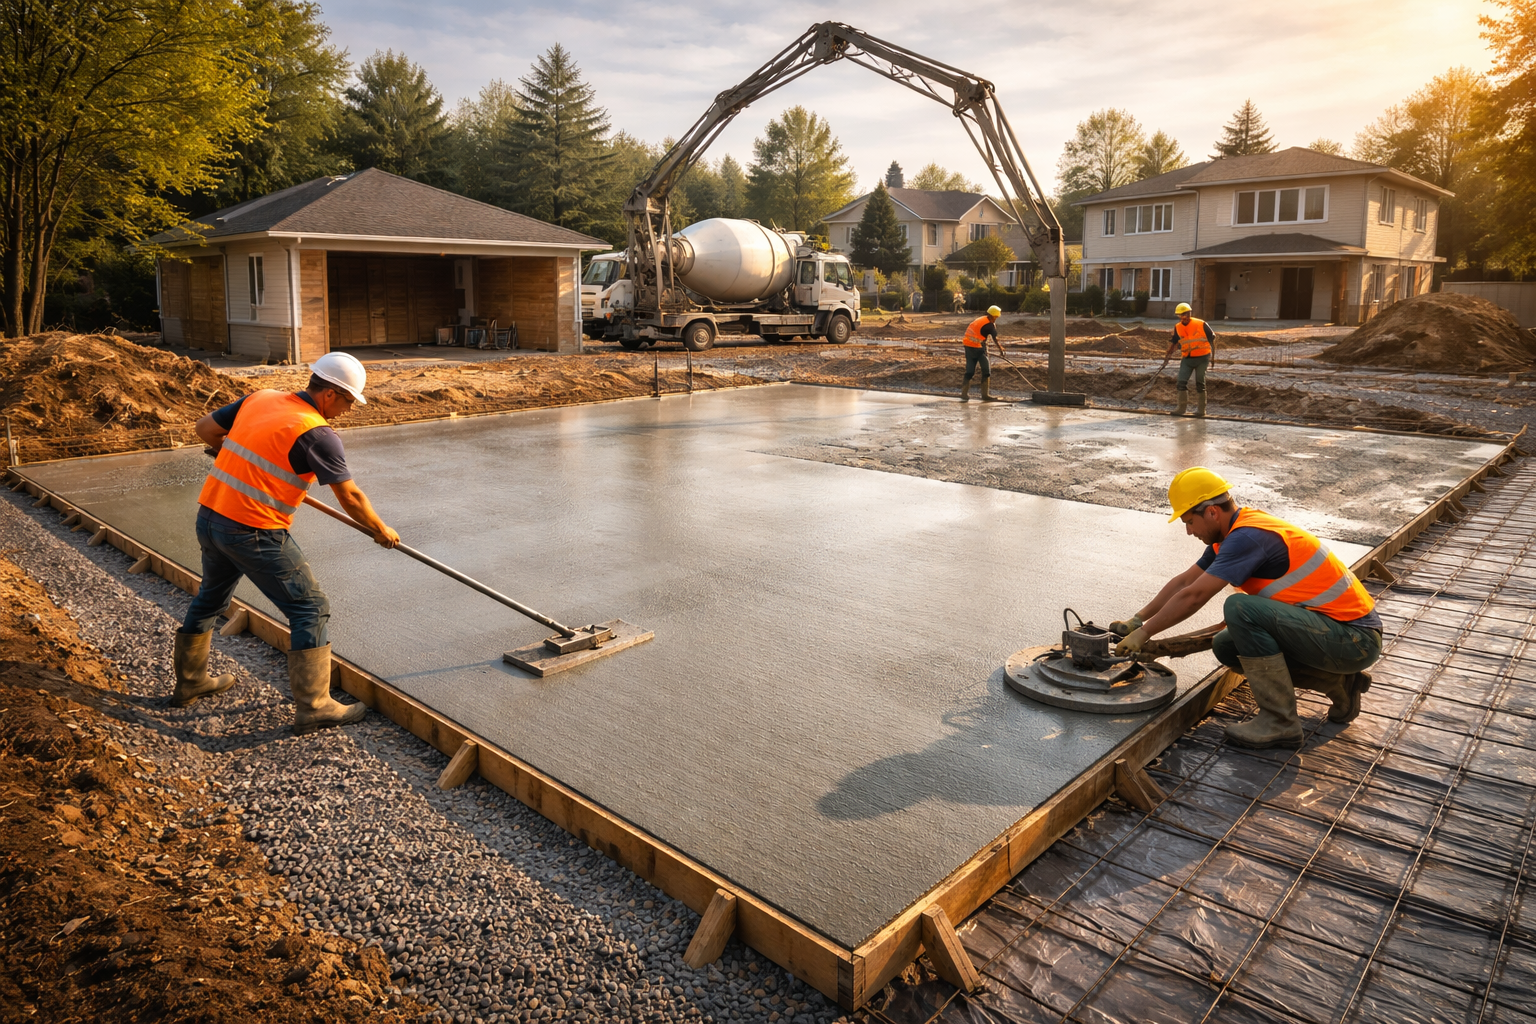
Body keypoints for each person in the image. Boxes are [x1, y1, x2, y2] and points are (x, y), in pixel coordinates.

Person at [172, 352, 400, 735]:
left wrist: (228, 450)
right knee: (310, 607)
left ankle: (190, 682)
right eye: (348, 402)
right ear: (329, 394)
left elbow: (205, 429)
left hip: (211, 517)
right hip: (253, 531)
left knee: (211, 596)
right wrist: (381, 529)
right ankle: (315, 706)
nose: (348, 411)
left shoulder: (261, 398)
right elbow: (351, 498)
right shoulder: (316, 433)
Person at [1110, 467, 1382, 749]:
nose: (1189, 531)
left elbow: (1194, 596)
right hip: (1330, 633)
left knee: (1240, 607)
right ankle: (1340, 684)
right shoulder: (1230, 535)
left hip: (1355, 640)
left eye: (1189, 522)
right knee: (1227, 646)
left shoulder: (1247, 538)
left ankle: (1280, 722)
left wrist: (1144, 635)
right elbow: (1184, 582)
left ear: (1212, 512)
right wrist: (1137, 620)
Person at [1164, 302, 1217, 417]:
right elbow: (1175, 341)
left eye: (1187, 314)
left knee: (1200, 382)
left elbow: (1212, 338)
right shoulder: (1178, 327)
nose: (1185, 316)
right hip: (1187, 358)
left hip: (1202, 357)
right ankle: (1181, 408)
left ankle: (1201, 410)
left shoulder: (1201, 324)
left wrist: (1212, 357)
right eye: (1182, 314)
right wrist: (1168, 354)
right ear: (1179, 316)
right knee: (1181, 382)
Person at [961, 305, 1007, 403]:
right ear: (993, 316)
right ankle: (985, 395)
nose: (996, 319)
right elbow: (995, 339)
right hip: (977, 349)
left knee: (969, 371)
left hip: (968, 346)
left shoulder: (981, 319)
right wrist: (1001, 350)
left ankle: (964, 394)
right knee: (986, 371)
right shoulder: (989, 325)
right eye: (996, 317)